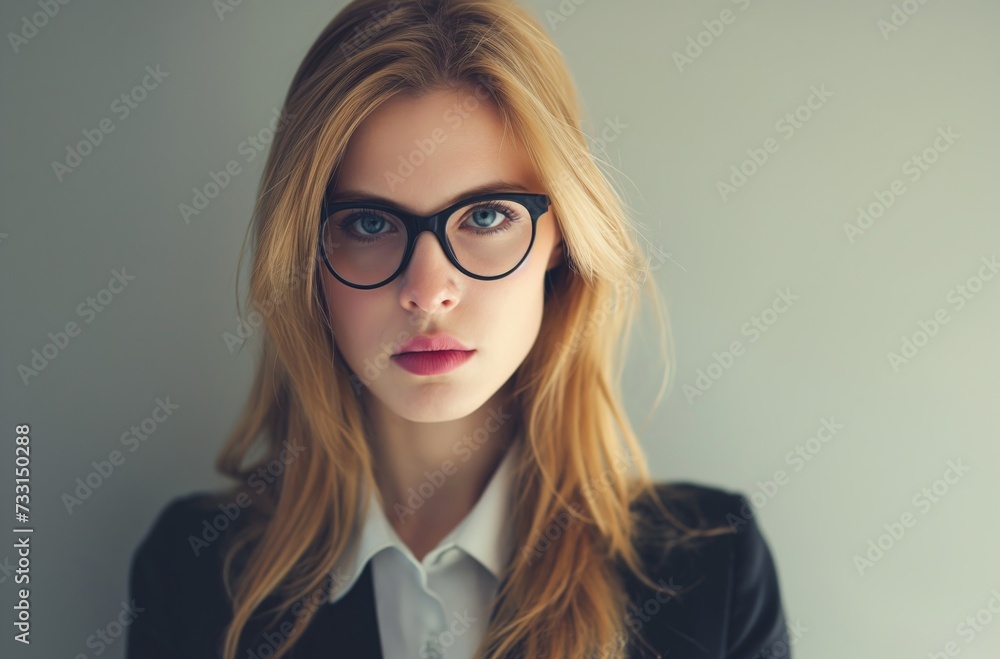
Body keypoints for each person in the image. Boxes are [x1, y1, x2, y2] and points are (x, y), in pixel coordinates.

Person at [126, 1, 792, 657]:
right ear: (307, 258)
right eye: (368, 224)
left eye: (485, 217)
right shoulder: (193, 577)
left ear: (560, 236)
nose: (427, 293)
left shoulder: (713, 572)